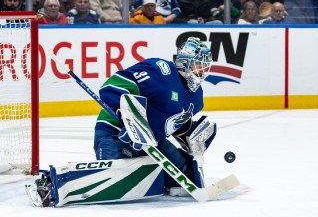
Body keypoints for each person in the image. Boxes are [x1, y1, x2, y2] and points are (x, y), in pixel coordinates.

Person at [29, 38, 216, 207]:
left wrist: (190, 137)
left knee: (186, 175)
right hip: (115, 134)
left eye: (205, 66)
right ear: (185, 62)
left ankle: (154, 174)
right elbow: (115, 84)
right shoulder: (161, 71)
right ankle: (50, 183)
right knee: (114, 181)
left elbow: (174, 121)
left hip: (152, 141)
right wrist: (131, 118)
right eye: (199, 65)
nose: (203, 71)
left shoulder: (196, 97)